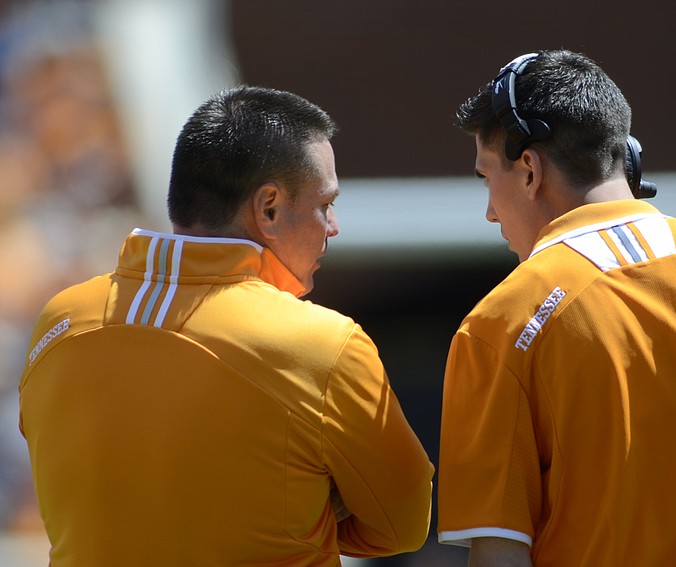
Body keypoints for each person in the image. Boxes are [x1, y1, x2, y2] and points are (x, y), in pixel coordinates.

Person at [19, 85, 434, 566]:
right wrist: (308, 507)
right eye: (325, 204)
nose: (334, 226)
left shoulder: (60, 319)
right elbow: (402, 525)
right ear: (269, 208)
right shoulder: (323, 344)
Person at [437, 49, 676, 566]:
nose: (490, 211)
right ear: (625, 156)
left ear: (529, 171)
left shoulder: (499, 325)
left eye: (485, 178)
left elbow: (500, 555)